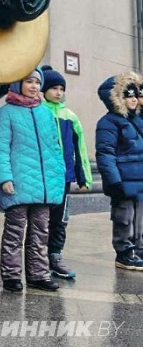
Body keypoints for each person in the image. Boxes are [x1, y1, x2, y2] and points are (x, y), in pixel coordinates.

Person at [0, 68, 65, 292]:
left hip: (44, 185)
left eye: (36, 82)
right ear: (17, 84)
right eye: (28, 82)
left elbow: (54, 146)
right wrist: (4, 177)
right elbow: (0, 148)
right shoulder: (7, 112)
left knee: (41, 231)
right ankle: (12, 275)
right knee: (15, 231)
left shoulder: (45, 112)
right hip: (18, 183)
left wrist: (58, 173)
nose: (33, 86)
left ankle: (38, 274)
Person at [40, 66, 92, 279]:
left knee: (60, 219)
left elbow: (80, 148)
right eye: (53, 88)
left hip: (64, 179)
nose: (58, 92)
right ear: (43, 89)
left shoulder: (70, 116)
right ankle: (38, 259)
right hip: (42, 177)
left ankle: (55, 256)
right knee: (40, 220)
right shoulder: (38, 112)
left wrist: (83, 176)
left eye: (61, 88)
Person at [95, 72, 143, 270]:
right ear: (117, 99)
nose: (132, 99)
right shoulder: (108, 122)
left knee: (140, 218)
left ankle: (139, 249)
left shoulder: (139, 120)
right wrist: (114, 181)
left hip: (140, 178)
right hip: (123, 179)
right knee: (124, 216)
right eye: (127, 96)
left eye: (135, 95)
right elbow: (105, 154)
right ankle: (124, 252)